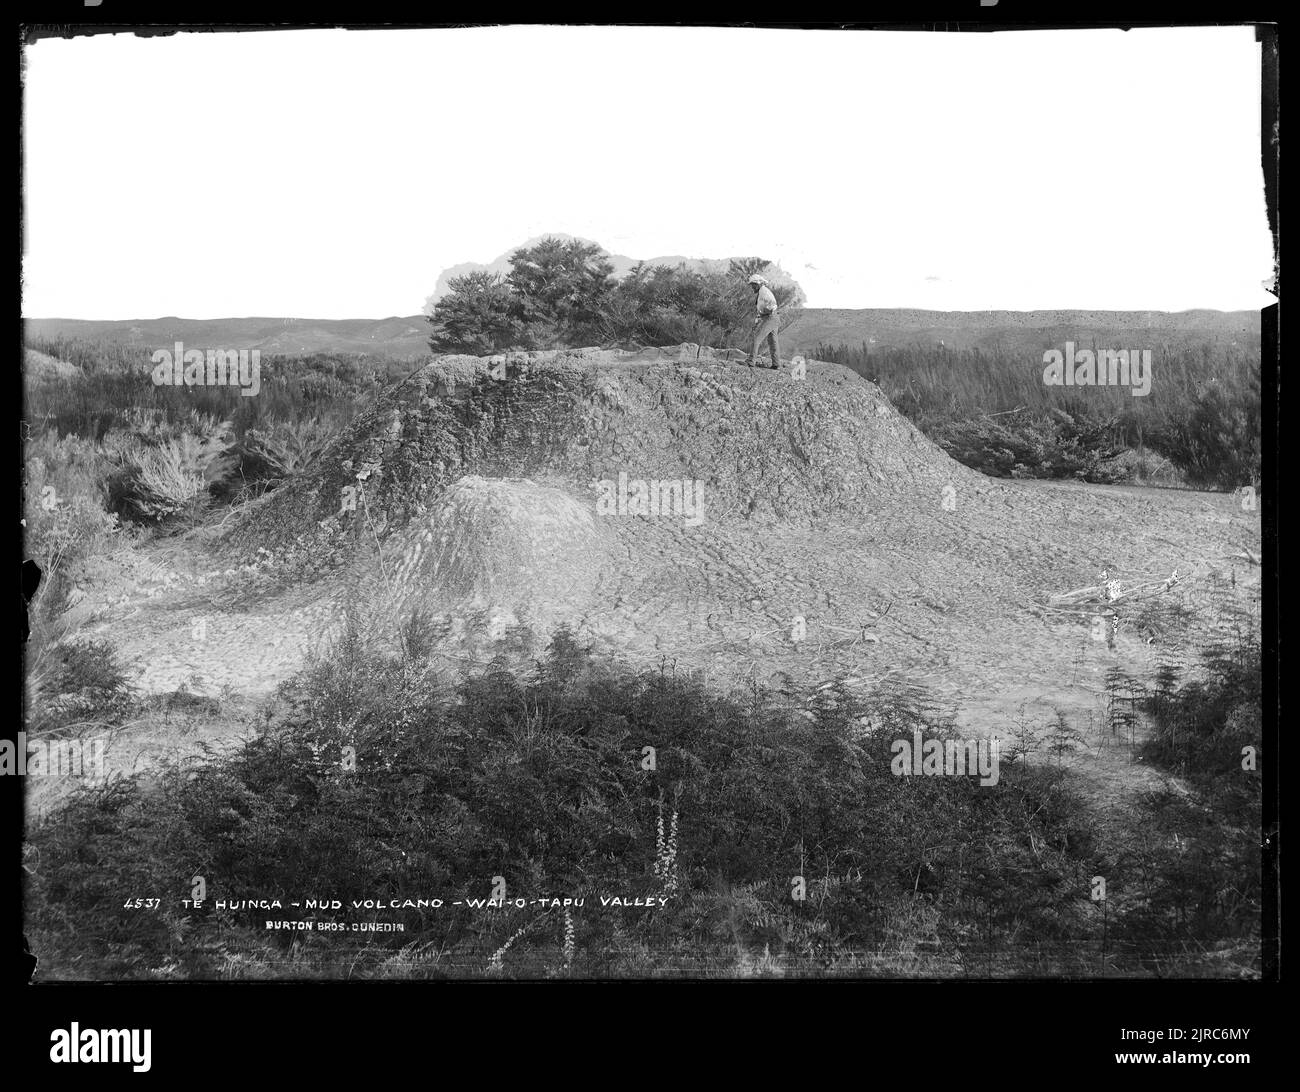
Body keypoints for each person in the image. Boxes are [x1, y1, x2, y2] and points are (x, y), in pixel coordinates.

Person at [748, 274, 780, 368]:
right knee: (773, 342)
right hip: (775, 317)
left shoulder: (763, 292)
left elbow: (771, 305)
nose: (752, 287)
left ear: (758, 284)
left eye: (753, 285)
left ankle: (751, 361)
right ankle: (776, 364)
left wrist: (762, 315)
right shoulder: (763, 291)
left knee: (757, 337)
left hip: (770, 317)